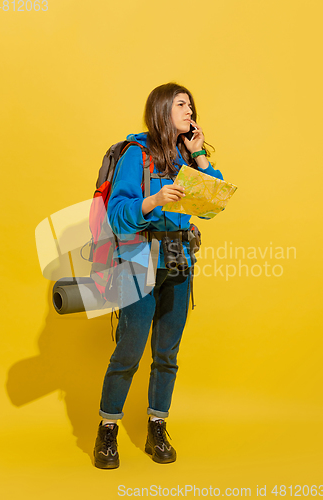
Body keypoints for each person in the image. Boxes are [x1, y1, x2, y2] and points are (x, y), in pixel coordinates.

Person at [93, 82, 223, 469]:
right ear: (162, 109)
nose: (190, 111)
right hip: (138, 261)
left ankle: (157, 426)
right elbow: (116, 215)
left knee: (167, 353)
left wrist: (200, 157)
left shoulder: (188, 154)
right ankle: (108, 429)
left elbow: (213, 208)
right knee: (129, 351)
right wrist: (152, 201)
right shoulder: (137, 154)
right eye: (181, 104)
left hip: (179, 258)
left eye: (191, 105)